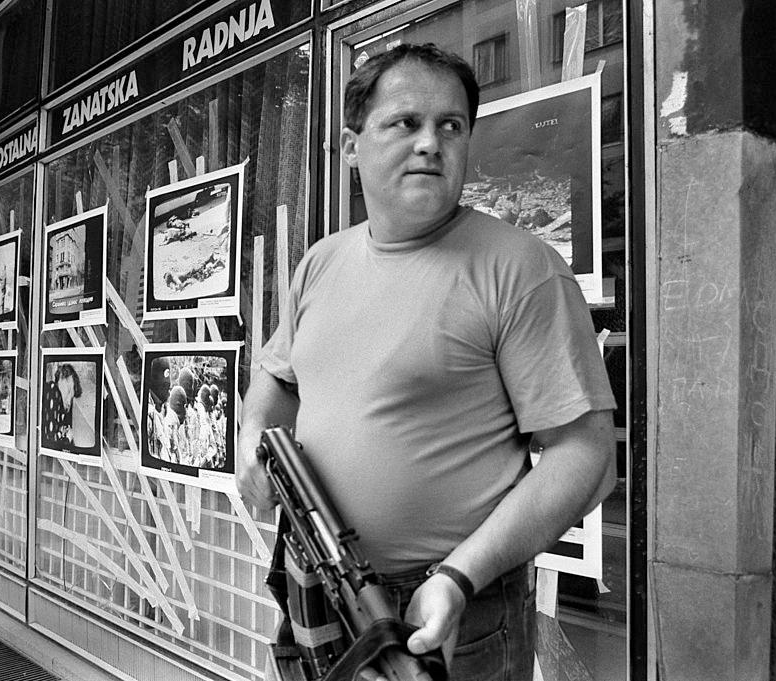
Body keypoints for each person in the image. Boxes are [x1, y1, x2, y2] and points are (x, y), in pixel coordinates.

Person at [236, 43, 616, 680]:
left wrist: (458, 578)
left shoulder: (520, 269)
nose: (430, 143)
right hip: (314, 574)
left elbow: (586, 456)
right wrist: (252, 440)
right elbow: (278, 376)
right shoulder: (322, 262)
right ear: (352, 145)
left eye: (451, 125)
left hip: (447, 607)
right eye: (405, 123)